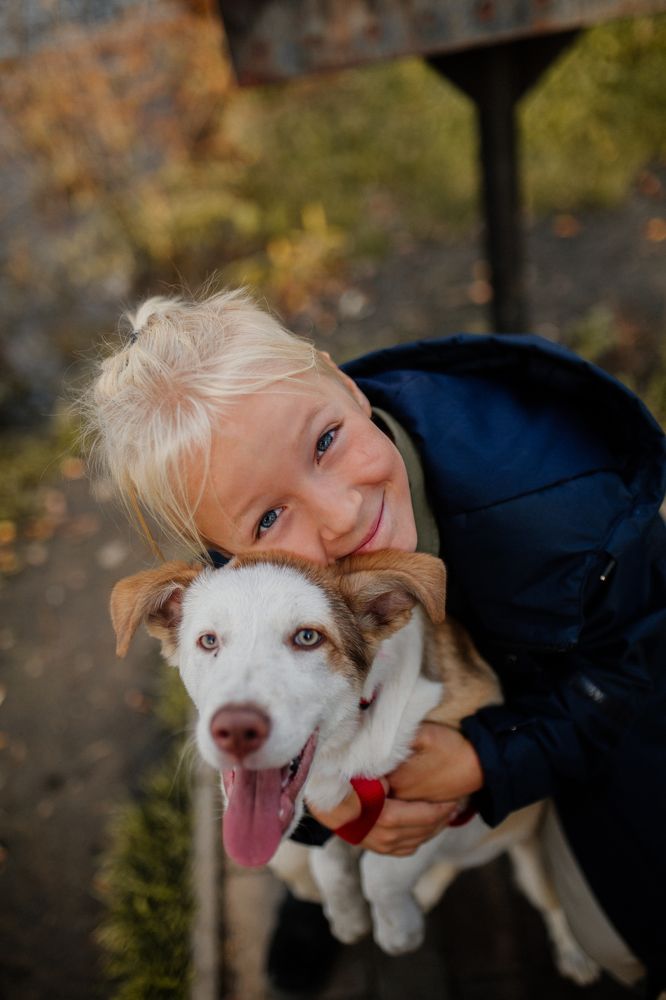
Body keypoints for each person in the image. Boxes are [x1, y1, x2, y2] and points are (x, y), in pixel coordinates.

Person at [82, 288, 666, 998]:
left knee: (620, 938)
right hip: (353, 724)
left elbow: (628, 672)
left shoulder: (568, 507)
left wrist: (486, 760)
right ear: (224, 554)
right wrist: (320, 810)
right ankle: (313, 896)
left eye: (325, 442)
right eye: (267, 520)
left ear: (344, 382)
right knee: (295, 845)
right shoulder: (228, 525)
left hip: (566, 699)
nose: (342, 514)